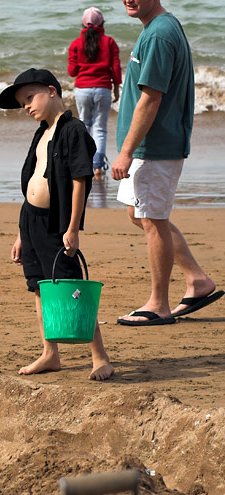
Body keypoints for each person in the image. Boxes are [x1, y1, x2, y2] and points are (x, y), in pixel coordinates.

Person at [0, 68, 113, 381]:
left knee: (72, 287)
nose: (26, 106)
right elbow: (33, 181)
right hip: (30, 220)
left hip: (56, 225)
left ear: (52, 90)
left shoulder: (73, 130)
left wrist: (73, 227)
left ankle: (100, 357)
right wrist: (21, 234)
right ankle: (50, 353)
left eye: (29, 97)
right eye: (22, 103)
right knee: (39, 288)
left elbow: (80, 180)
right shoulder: (42, 131)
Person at [112, 0, 223, 326]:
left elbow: (151, 98)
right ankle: (197, 280)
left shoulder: (160, 34)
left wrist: (126, 151)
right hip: (152, 146)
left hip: (153, 147)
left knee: (153, 219)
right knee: (139, 215)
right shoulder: (157, 28)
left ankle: (159, 304)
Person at [68, 6, 122, 180]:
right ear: (102, 23)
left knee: (84, 125)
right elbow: (115, 69)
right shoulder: (109, 42)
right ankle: (98, 166)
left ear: (83, 24)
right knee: (100, 129)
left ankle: (84, 164)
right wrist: (116, 87)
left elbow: (72, 71)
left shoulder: (76, 43)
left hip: (83, 89)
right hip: (103, 88)